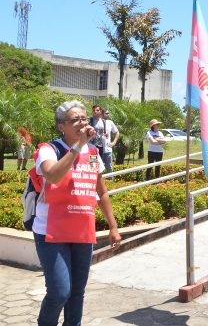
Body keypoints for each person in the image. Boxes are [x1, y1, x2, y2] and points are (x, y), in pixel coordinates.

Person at [33, 100, 121, 326]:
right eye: (75, 120)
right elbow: (52, 176)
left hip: (81, 232)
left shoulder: (92, 152)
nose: (82, 123)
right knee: (60, 292)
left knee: (77, 294)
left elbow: (101, 193)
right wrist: (76, 147)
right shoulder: (48, 149)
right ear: (61, 126)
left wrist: (113, 226)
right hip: (51, 232)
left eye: (84, 118)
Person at [98, 109, 120, 173]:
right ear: (102, 114)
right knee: (96, 167)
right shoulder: (95, 122)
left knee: (109, 167)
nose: (108, 115)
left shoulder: (110, 122)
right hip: (97, 149)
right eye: (106, 113)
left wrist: (114, 142)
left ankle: (111, 182)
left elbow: (117, 132)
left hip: (108, 149)